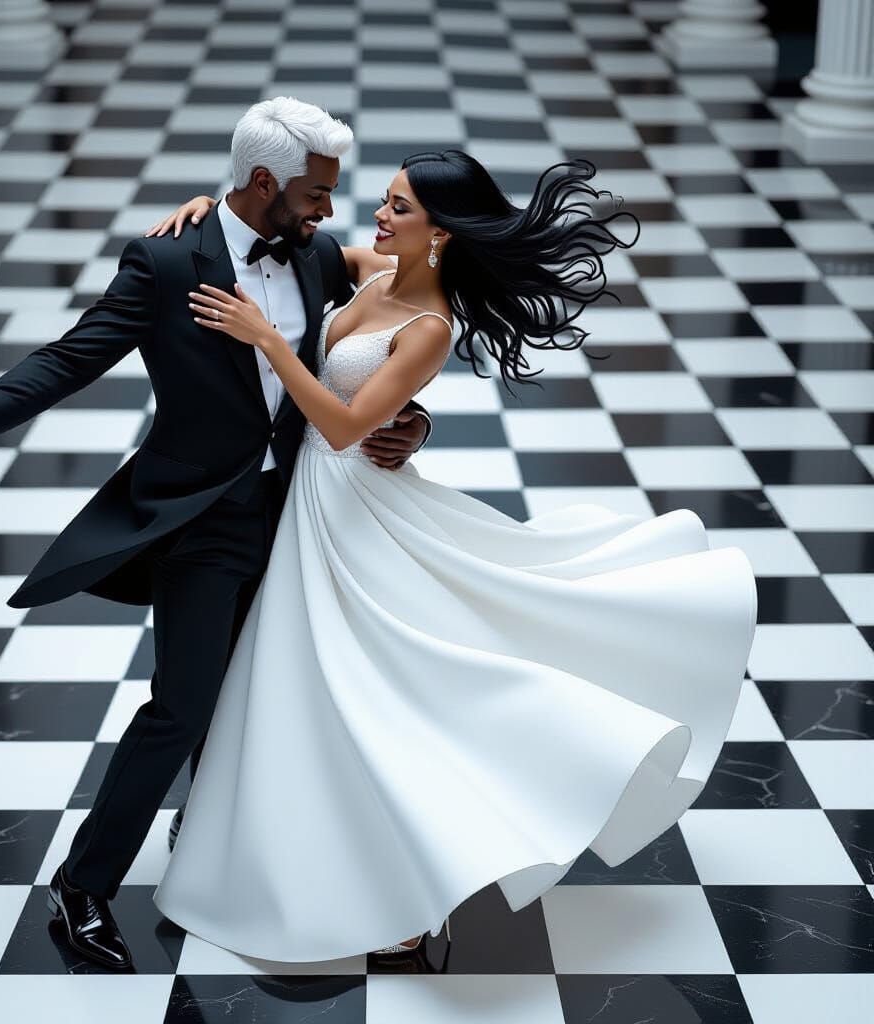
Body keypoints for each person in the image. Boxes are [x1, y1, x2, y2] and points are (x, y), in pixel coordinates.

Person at [144, 149, 758, 965]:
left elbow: (341, 425)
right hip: (313, 502)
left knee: (369, 689)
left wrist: (269, 342)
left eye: (399, 207)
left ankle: (410, 887)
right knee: (308, 686)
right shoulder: (370, 271)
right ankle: (285, 846)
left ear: (440, 232)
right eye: (388, 201)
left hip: (352, 509)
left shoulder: (429, 327)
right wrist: (212, 212)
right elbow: (285, 250)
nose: (379, 214)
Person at [0, 97, 437, 970]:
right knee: (182, 705)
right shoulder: (166, 261)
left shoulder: (320, 257)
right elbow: (72, 356)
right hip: (202, 518)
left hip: (301, 512)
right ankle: (84, 888)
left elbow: (364, 357)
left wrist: (412, 420)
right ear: (264, 182)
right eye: (316, 192)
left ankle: (218, 835)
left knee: (270, 691)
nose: (330, 208)